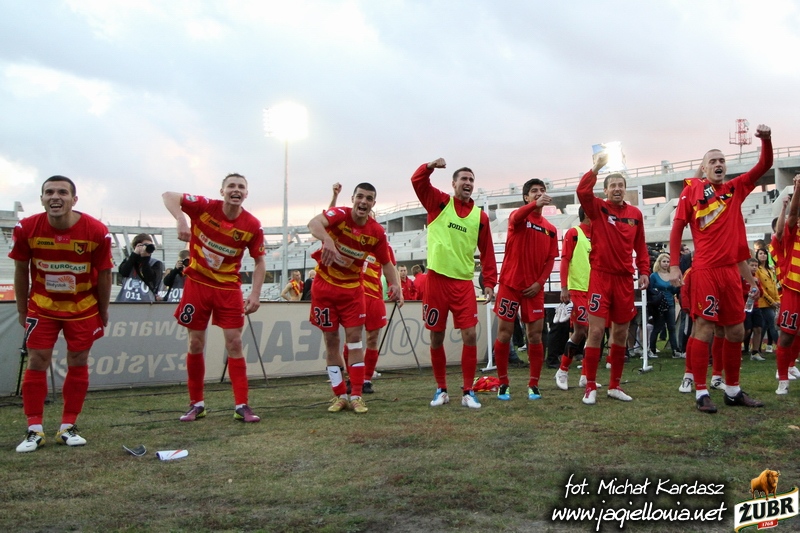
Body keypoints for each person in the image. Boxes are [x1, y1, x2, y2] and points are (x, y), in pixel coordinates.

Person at [669, 124, 772, 413]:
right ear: (703, 168)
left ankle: (732, 390)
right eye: (713, 161)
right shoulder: (691, 192)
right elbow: (677, 229)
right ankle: (701, 391)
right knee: (704, 328)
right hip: (705, 270)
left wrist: (766, 140)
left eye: (722, 160)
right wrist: (675, 264)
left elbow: (764, 165)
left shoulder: (735, 189)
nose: (718, 164)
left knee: (736, 331)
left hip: (730, 272)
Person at [10, 175, 113, 452]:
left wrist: (103, 311)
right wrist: (22, 309)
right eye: (49, 192)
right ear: (42, 199)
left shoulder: (96, 231)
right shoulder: (26, 228)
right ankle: (34, 430)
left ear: (74, 199)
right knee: (37, 360)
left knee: (78, 360)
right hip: (42, 307)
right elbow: (20, 269)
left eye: (62, 192)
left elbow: (105, 274)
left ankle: (68, 427)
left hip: (83, 308)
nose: (55, 197)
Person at [162, 173, 266, 423]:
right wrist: (181, 219)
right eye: (231, 186)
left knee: (235, 343)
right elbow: (168, 195)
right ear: (222, 191)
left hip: (228, 289)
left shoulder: (252, 224)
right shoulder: (205, 207)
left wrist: (255, 294)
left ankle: (242, 405)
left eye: (241, 187)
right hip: (197, 285)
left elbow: (260, 261)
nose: (236, 190)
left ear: (246, 194)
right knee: (195, 343)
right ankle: (196, 404)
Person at [307, 182, 402, 414]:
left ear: (373, 204)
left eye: (369, 199)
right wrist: (328, 240)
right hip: (324, 288)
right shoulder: (339, 215)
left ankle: (357, 395)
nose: (363, 202)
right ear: (353, 199)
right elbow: (313, 223)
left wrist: (395, 285)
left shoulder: (376, 232)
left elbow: (387, 263)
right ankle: (339, 395)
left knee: (356, 340)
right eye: (360, 196)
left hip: (352, 291)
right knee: (331, 341)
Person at [412, 158, 497, 409]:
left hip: (463, 283)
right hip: (436, 281)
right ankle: (441, 389)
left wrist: (490, 281)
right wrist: (429, 166)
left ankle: (468, 391)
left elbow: (487, 251)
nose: (468, 183)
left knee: (470, 334)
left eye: (471, 180)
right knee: (436, 336)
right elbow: (417, 182)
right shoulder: (439, 202)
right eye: (464, 179)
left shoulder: (480, 217)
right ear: (454, 183)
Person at [576, 151, 650, 405]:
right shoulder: (598, 208)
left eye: (621, 185)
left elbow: (641, 246)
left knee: (620, 333)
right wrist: (596, 168)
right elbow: (582, 192)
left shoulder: (635, 214)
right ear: (605, 190)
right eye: (613, 186)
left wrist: (644, 271)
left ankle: (615, 386)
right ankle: (590, 385)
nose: (617, 189)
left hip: (624, 280)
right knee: (596, 332)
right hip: (601, 277)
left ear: (625, 189)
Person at [491, 179, 558, 401]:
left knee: (535, 335)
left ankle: (534, 384)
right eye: (534, 191)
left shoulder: (551, 229)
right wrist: (533, 205)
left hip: (534, 289)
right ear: (526, 197)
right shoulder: (518, 217)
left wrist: (539, 283)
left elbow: (550, 259)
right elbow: (516, 217)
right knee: (504, 333)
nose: (539, 193)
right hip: (510, 285)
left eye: (542, 190)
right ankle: (503, 383)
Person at [555, 207, 594, 390]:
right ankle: (562, 370)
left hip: (594, 290)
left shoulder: (598, 235)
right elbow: (565, 260)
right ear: (586, 214)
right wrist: (564, 287)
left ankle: (585, 376)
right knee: (580, 331)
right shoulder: (574, 233)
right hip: (577, 289)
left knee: (593, 333)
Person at [648, 253, 681, 358]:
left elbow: (674, 290)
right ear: (659, 263)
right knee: (657, 327)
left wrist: (678, 285)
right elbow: (650, 289)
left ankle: (675, 350)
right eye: (664, 261)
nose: (666, 264)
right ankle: (652, 350)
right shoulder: (654, 276)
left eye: (668, 262)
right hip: (658, 305)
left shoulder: (671, 275)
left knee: (672, 327)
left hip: (670, 303)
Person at [116, 232, 164, 302]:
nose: (147, 248)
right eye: (145, 245)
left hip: (146, 303)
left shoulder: (156, 263)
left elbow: (151, 278)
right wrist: (134, 255)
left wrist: (145, 259)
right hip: (126, 302)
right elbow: (123, 272)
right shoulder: (128, 261)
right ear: (136, 246)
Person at [751, 247, 779, 359]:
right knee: (773, 324)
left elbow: (774, 286)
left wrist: (777, 300)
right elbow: (761, 288)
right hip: (763, 302)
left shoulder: (770, 270)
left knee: (763, 327)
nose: (763, 255)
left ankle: (756, 349)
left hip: (772, 302)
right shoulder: (757, 270)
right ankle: (783, 348)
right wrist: (772, 301)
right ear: (757, 256)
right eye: (760, 253)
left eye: (765, 253)